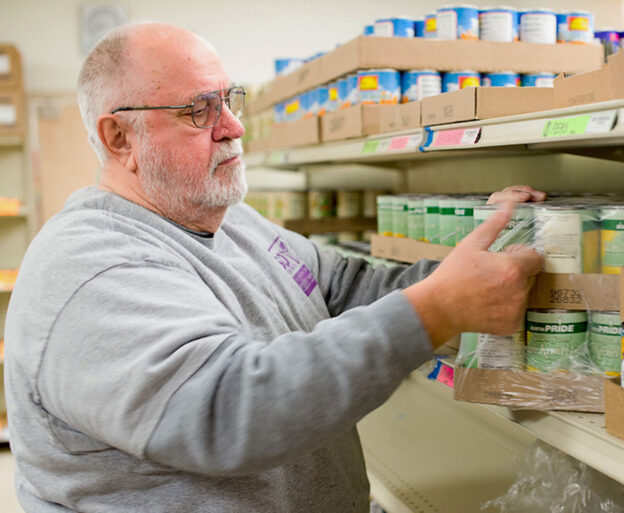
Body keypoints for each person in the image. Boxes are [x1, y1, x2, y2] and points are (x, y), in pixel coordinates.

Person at [4, 22, 545, 512]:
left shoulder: (231, 222)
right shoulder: (90, 268)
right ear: (119, 138)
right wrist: (439, 307)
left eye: (229, 99)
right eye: (200, 110)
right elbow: (230, 409)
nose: (234, 126)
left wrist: (477, 260)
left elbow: (344, 288)